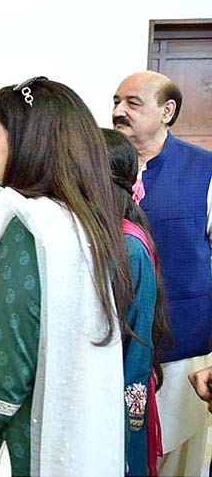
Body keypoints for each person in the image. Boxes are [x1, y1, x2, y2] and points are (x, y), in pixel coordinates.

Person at [0, 78, 130, 477]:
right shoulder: (76, 218)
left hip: (19, 441)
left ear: (27, 144)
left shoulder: (28, 229)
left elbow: (0, 368)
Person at [113, 71, 212, 476]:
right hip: (113, 346)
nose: (118, 111)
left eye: (132, 103)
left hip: (183, 346)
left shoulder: (204, 169)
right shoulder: (97, 166)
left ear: (167, 111)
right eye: (116, 101)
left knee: (174, 459)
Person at [103, 128, 172, 476]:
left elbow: (137, 350)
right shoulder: (101, 235)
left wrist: (127, 421)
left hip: (115, 400)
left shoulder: (129, 246)